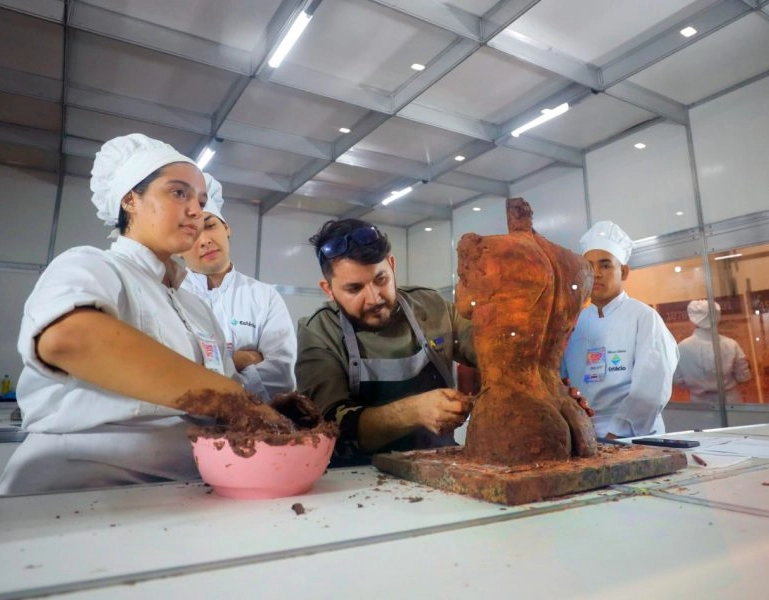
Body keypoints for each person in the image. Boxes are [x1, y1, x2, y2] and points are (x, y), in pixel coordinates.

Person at [0, 133, 281, 495]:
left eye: (200, 199)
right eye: (178, 193)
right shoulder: (92, 264)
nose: (196, 210)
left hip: (188, 488)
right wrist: (235, 399)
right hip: (81, 490)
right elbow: (71, 339)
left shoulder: (196, 308)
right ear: (130, 199)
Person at [295, 218, 476, 466]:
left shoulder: (432, 307)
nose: (374, 298)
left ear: (391, 265)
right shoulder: (318, 331)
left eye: (381, 280)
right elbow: (330, 427)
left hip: (439, 464)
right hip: (356, 478)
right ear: (328, 289)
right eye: (354, 288)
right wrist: (414, 411)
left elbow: (488, 348)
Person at [180, 174, 296, 401]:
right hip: (183, 431)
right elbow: (168, 368)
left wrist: (208, 374)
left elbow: (282, 375)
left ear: (227, 228)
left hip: (255, 428)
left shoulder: (264, 297)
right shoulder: (169, 295)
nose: (204, 240)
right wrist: (241, 360)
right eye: (191, 233)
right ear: (177, 247)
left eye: (210, 226)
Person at [561, 221, 679, 439]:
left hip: (634, 436)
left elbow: (650, 389)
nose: (596, 274)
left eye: (605, 265)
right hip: (582, 434)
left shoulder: (643, 318)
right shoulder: (574, 323)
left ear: (623, 271)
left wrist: (617, 433)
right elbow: (561, 382)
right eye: (589, 266)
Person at [674, 299, 752, 403]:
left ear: (692, 320)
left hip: (700, 404)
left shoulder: (681, 348)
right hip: (731, 403)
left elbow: (677, 380)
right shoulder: (731, 344)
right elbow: (743, 377)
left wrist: (697, 386)